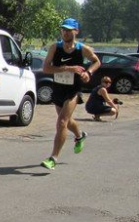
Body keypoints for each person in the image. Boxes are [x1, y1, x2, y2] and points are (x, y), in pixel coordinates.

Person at [40, 18, 101, 170]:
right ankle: (80, 136)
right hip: (58, 89)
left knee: (61, 122)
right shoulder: (55, 48)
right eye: (63, 30)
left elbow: (96, 62)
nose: (65, 33)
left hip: (73, 91)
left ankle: (53, 158)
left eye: (68, 30)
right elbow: (46, 69)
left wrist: (89, 72)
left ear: (76, 31)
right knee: (66, 121)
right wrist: (67, 68)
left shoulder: (82, 49)